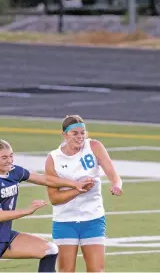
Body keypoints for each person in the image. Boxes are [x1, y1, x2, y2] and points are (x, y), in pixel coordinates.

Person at [0, 139, 94, 273]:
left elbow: (45, 179)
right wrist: (27, 211)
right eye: (4, 157)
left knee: (49, 250)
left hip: (6, 236)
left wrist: (74, 184)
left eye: (11, 156)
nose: (9, 160)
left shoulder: (14, 172)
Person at [45, 115, 123, 273]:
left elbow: (113, 173)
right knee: (66, 271)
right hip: (65, 221)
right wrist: (77, 190)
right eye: (75, 133)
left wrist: (116, 185)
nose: (80, 137)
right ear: (64, 135)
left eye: (82, 133)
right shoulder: (53, 158)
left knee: (96, 270)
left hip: (93, 219)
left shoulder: (94, 146)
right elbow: (54, 198)